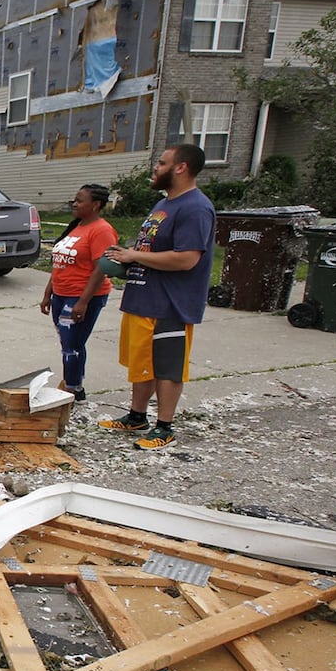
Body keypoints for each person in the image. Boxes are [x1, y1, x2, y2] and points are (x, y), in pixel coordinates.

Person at [72, 143, 216, 451]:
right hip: (143, 296)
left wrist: (134, 254)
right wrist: (127, 260)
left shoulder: (195, 207)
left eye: (162, 163)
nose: (155, 168)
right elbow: (153, 249)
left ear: (181, 168)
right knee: (142, 364)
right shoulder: (164, 204)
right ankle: (137, 416)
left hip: (171, 302)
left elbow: (188, 258)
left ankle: (164, 427)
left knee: (167, 366)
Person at [39, 183, 118, 401]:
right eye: (75, 199)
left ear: (96, 205)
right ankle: (76, 387)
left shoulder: (101, 230)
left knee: (71, 345)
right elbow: (59, 264)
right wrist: (48, 293)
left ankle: (71, 390)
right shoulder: (77, 226)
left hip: (82, 296)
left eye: (80, 200)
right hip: (62, 294)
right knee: (69, 343)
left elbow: (101, 268)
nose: (75, 203)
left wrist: (83, 301)